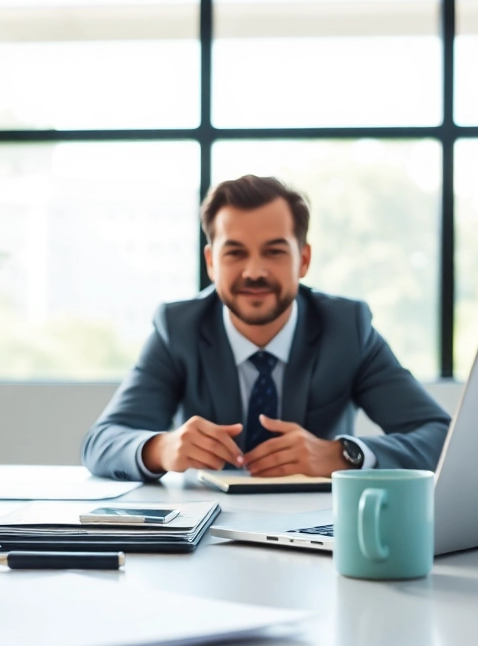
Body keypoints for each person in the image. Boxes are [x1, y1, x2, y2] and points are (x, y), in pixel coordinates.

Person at [82, 175, 450, 482]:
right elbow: (101, 442)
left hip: (321, 536)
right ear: (211, 262)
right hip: (208, 532)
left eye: (274, 252)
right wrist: (161, 448)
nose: (254, 271)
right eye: (235, 253)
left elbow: (441, 437)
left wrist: (342, 455)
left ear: (303, 260)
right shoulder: (178, 329)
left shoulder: (346, 328)